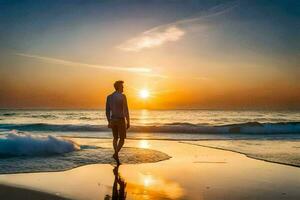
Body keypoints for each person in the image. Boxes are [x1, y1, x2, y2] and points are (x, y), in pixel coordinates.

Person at [106, 80, 130, 164]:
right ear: (119, 87)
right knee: (122, 139)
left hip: (113, 119)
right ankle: (116, 154)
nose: (123, 88)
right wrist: (128, 121)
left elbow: (107, 111)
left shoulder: (109, 97)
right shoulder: (123, 96)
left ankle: (115, 153)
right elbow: (126, 109)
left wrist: (109, 121)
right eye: (122, 86)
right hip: (120, 120)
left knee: (115, 138)